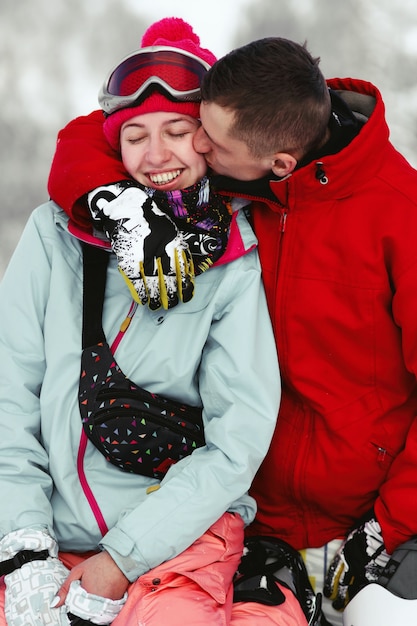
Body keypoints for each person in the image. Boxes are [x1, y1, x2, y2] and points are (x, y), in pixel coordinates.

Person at [46, 29, 417, 626]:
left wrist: (390, 526)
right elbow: (90, 137)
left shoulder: (402, 217)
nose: (192, 144)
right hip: (239, 509)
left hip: (358, 521)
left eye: (207, 139)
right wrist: (113, 200)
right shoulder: (238, 175)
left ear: (279, 163)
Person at [0, 18, 310, 626]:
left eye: (177, 130)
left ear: (209, 137)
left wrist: (123, 556)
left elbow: (237, 437)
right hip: (46, 519)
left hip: (180, 535)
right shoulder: (54, 235)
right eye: (135, 135)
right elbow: (11, 395)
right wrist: (24, 544)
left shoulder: (233, 258)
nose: (156, 155)